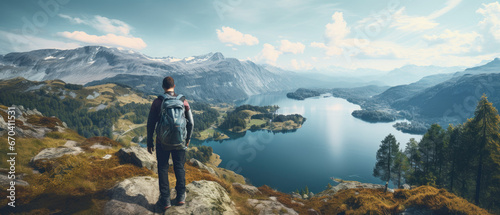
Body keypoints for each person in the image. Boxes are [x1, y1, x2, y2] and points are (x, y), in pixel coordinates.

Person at [147, 76, 194, 210]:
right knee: (179, 167)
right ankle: (180, 197)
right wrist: (188, 138)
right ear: (174, 86)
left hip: (162, 142)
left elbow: (150, 124)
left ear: (163, 87)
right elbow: (191, 122)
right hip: (180, 142)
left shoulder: (158, 102)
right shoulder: (183, 101)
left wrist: (149, 141)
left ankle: (166, 200)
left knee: (163, 168)